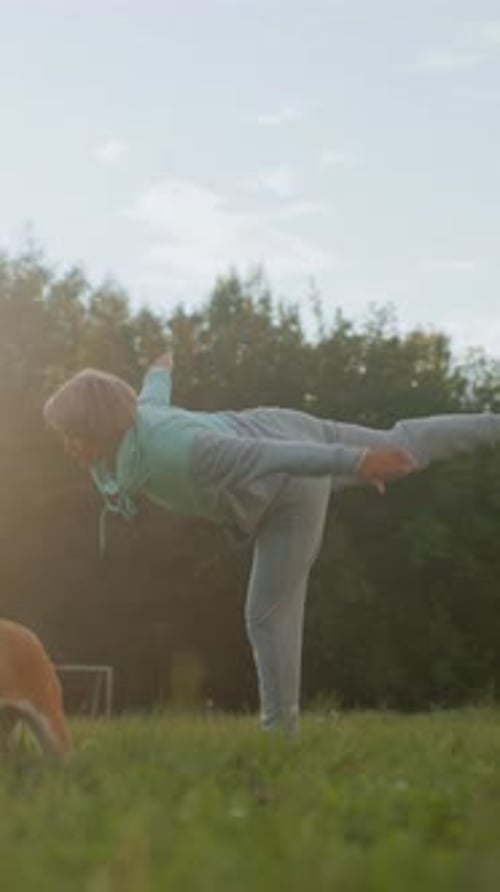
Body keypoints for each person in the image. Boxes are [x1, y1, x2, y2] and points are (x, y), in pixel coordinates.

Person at [43, 354, 500, 733]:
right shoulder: (138, 427)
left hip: (287, 488)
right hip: (283, 424)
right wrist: (161, 365)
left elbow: (269, 458)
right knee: (402, 443)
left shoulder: (179, 453)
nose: (66, 446)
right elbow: (153, 394)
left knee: (266, 615)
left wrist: (358, 463)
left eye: (71, 436)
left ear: (101, 429)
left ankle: (279, 738)